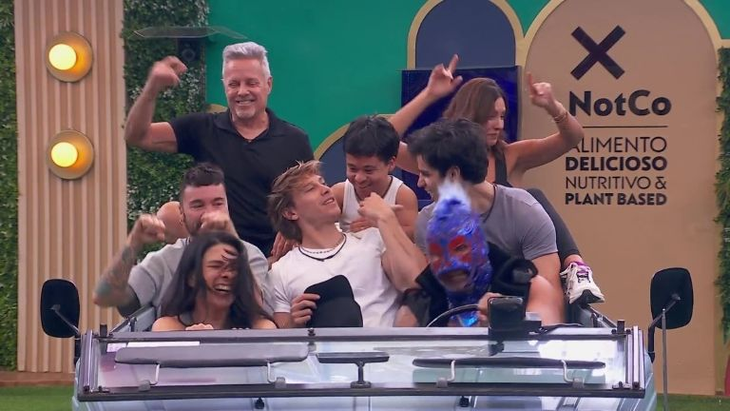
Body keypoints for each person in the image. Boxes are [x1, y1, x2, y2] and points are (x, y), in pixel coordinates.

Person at [389, 55, 602, 304]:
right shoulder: (435, 162)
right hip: (463, 287)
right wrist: (429, 95)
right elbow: (385, 142)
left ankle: (575, 263)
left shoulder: (511, 157)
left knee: (533, 196)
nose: (499, 124)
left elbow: (572, 139)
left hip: (514, 286)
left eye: (502, 116)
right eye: (491, 116)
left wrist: (552, 106)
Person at [124, 41, 314, 256]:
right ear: (224, 86)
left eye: (251, 83)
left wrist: (295, 230)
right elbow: (137, 135)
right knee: (169, 213)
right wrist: (152, 88)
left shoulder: (294, 140)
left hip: (275, 258)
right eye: (234, 84)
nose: (242, 91)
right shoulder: (202, 128)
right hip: (214, 255)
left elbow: (313, 199)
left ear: (268, 84)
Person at [409, 119, 565, 324]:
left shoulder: (524, 212)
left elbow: (551, 304)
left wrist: (508, 319)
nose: (420, 183)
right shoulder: (426, 221)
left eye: (426, 174)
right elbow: (431, 296)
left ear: (453, 174)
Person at [93, 163, 269, 317]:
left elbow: (258, 307)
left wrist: (232, 238)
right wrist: (134, 242)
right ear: (182, 214)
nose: (209, 213)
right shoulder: (163, 261)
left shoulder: (250, 255)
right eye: (198, 205)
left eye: (218, 203)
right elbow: (104, 297)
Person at [266, 160, 426, 328]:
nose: (326, 189)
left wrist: (386, 219)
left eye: (323, 183)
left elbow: (417, 282)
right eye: (310, 189)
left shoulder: (373, 239)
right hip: (323, 345)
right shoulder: (280, 271)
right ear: (290, 212)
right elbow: (281, 335)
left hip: (385, 343)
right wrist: (293, 324)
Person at [152, 231, 276, 331]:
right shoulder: (168, 328)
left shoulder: (261, 329)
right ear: (192, 277)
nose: (228, 275)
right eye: (216, 266)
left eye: (235, 268)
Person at [331, 115, 418, 239]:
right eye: (352, 169)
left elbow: (412, 235)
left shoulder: (402, 195)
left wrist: (382, 225)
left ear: (391, 163)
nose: (359, 178)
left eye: (368, 170)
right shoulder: (340, 193)